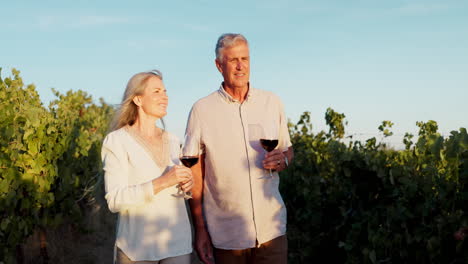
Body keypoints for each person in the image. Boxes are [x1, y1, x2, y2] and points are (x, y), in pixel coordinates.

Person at [185, 33, 294, 264]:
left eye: (245, 58)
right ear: (218, 65)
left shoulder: (271, 102)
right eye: (233, 60)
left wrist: (282, 161)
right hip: (226, 235)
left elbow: (287, 150)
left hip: (271, 230)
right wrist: (200, 229)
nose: (240, 66)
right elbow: (194, 172)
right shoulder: (201, 110)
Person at [101, 70, 193, 264]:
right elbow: (115, 200)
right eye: (157, 91)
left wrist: (187, 186)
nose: (165, 97)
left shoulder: (173, 140)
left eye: (165, 91)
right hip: (136, 248)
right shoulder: (117, 141)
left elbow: (177, 191)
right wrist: (162, 182)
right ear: (138, 100)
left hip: (177, 244)